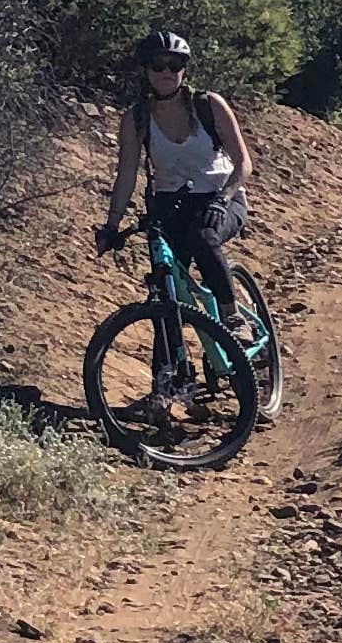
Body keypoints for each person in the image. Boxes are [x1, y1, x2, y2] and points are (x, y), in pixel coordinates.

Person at [94, 33, 259, 392]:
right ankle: (165, 378)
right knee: (163, 288)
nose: (167, 72)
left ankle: (232, 317)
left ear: (184, 70)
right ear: (146, 70)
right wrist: (111, 225)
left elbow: (243, 163)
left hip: (220, 199)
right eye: (159, 65)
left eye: (175, 65)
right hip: (170, 208)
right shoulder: (137, 119)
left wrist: (224, 197)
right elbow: (126, 174)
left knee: (204, 237)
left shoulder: (209, 106)